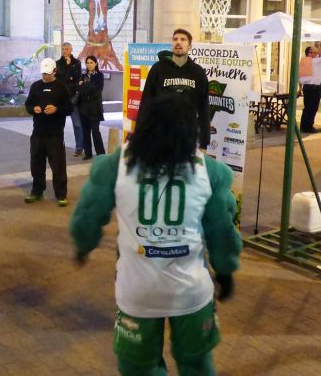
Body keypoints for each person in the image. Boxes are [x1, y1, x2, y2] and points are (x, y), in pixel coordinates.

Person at [70, 94, 242, 376]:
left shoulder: (118, 164)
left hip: (137, 290)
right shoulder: (209, 171)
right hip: (190, 292)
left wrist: (83, 244)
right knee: (196, 364)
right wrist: (225, 270)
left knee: (139, 368)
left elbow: (89, 212)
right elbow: (221, 230)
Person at [139, 28, 211, 150]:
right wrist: (140, 137)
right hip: (160, 135)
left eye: (183, 39)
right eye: (175, 39)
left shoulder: (198, 73)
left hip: (187, 136)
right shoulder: (158, 69)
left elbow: (204, 109)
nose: (178, 42)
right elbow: (146, 104)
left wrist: (204, 143)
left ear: (190, 47)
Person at [24, 58, 71, 206]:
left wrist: (57, 109)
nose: (45, 76)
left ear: (55, 71)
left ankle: (61, 195)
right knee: (36, 163)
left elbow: (69, 108)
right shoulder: (36, 86)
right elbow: (28, 104)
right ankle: (37, 191)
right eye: (43, 73)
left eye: (48, 74)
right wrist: (34, 109)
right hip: (38, 133)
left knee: (58, 165)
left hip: (55, 134)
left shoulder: (61, 87)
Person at [57, 42, 84, 156]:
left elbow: (77, 79)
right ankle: (58, 145)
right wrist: (69, 73)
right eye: (63, 49)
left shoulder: (77, 63)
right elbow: (60, 79)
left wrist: (69, 67)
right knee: (59, 124)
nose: (64, 51)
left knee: (77, 124)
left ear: (71, 50)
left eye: (67, 49)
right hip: (61, 98)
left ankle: (79, 147)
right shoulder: (58, 63)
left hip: (73, 98)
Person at [77, 55, 106, 160]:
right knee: (85, 132)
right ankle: (88, 153)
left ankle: (101, 154)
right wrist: (87, 87)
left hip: (95, 109)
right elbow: (80, 90)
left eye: (91, 63)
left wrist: (85, 85)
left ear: (96, 64)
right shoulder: (83, 75)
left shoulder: (99, 76)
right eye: (87, 63)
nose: (89, 65)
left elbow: (97, 91)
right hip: (83, 108)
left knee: (95, 132)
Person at [300, 44, 321, 133]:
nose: (316, 54)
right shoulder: (315, 61)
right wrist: (318, 51)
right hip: (314, 88)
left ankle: (304, 126)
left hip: (306, 87)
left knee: (307, 108)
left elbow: (300, 78)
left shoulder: (304, 61)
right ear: (310, 53)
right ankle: (309, 127)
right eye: (314, 52)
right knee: (313, 108)